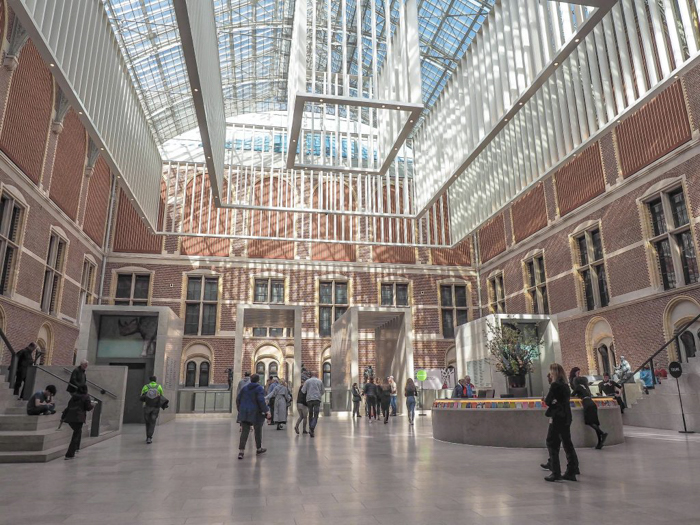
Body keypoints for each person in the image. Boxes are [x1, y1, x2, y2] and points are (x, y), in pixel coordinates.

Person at [543, 363, 579, 482]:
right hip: (567, 416)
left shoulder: (555, 385)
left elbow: (548, 401)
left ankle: (555, 471)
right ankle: (572, 469)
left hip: (557, 417)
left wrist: (551, 401)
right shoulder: (565, 385)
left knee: (552, 443)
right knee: (567, 443)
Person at [236, 374, 269, 459]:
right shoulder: (259, 388)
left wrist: (240, 409)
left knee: (244, 432)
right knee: (257, 431)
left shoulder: (244, 388)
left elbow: (238, 399)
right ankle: (258, 448)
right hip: (256, 413)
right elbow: (261, 400)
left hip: (245, 412)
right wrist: (266, 411)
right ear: (258, 380)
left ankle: (241, 451)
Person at [572, 376, 607, 449]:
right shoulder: (586, 387)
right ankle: (599, 443)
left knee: (589, 421)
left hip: (586, 403)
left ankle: (602, 433)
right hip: (592, 403)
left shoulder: (578, 387)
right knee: (595, 422)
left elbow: (571, 395)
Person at [61, 385, 94, 460]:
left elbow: (68, 406)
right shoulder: (86, 397)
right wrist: (93, 406)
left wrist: (63, 417)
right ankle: (70, 454)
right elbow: (88, 407)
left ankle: (76, 448)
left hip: (70, 417)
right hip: (79, 418)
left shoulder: (73, 397)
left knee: (78, 432)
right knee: (76, 434)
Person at [301, 371, 325, 437]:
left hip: (309, 399)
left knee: (310, 414)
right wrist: (319, 394)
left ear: (310, 375)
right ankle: (312, 428)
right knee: (316, 415)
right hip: (317, 399)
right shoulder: (319, 381)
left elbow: (303, 391)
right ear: (316, 375)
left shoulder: (307, 381)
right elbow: (323, 391)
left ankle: (311, 428)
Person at [140, 376, 163, 444]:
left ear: (150, 380)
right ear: (155, 380)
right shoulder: (159, 387)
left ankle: (147, 436)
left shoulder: (145, 387)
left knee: (147, 422)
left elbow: (141, 397)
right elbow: (161, 396)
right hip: (155, 407)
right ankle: (149, 437)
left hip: (147, 407)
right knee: (153, 422)